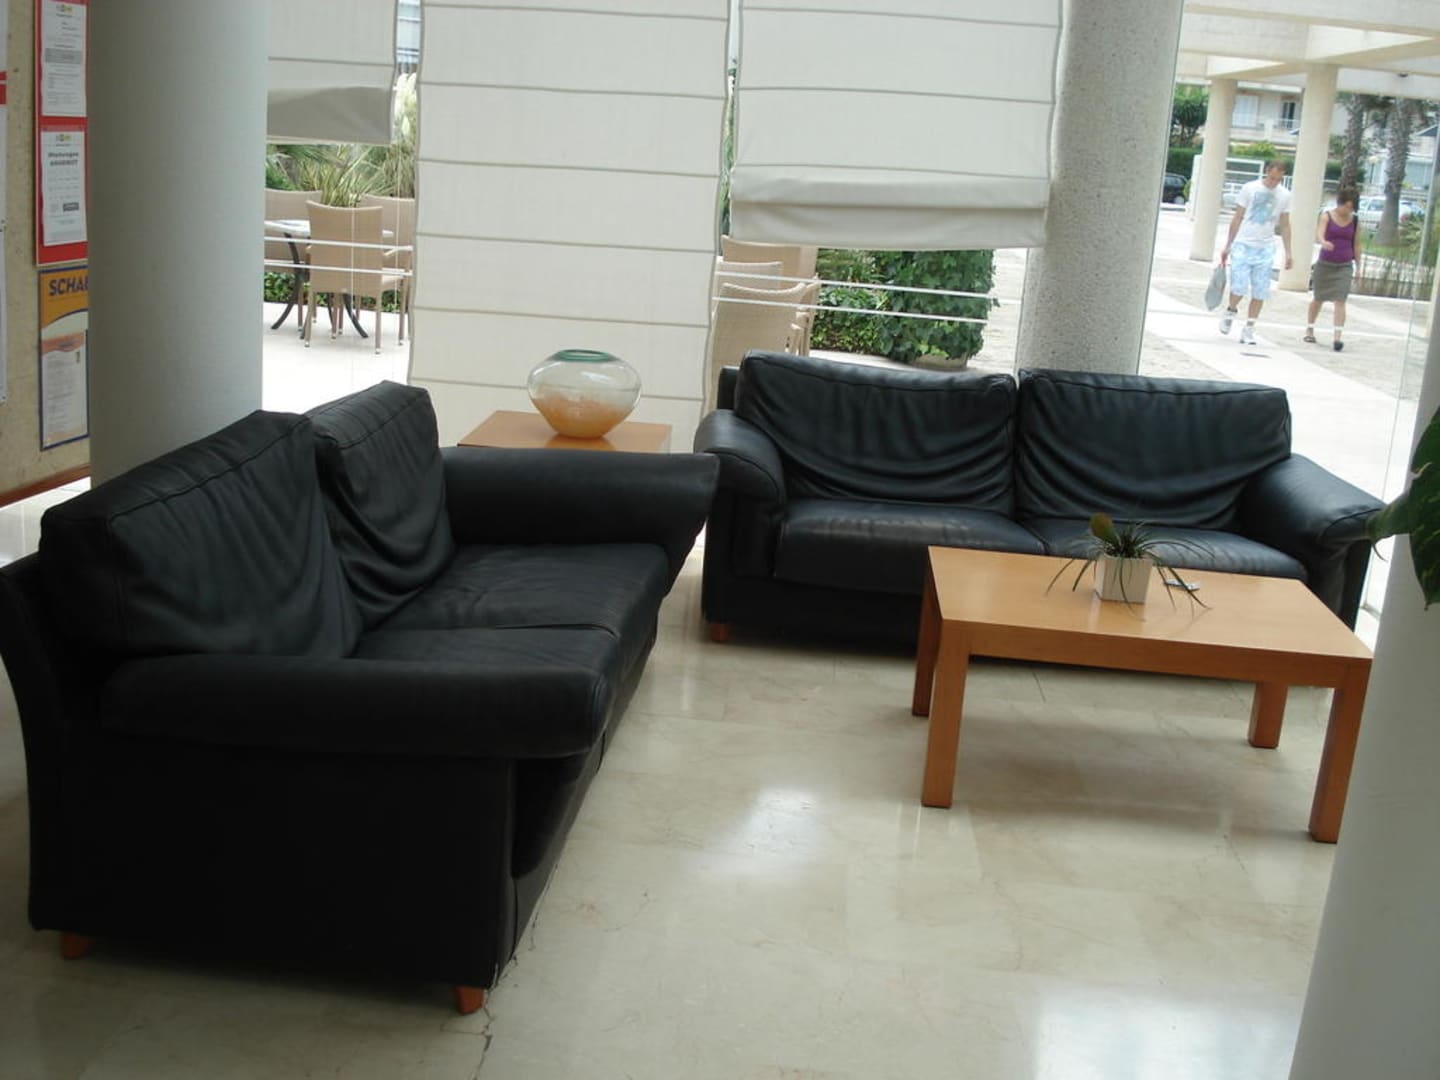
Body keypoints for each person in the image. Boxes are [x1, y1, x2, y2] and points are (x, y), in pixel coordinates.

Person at [1218, 160, 1294, 346]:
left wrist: (1288, 252)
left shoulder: (1285, 195)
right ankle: (1231, 310)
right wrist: (1228, 244)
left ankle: (1249, 328)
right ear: (1267, 172)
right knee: (1239, 286)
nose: (1274, 182)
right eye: (1272, 177)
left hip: (1265, 246)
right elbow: (1238, 217)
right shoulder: (1250, 188)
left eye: (1278, 179)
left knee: (1260, 290)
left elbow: (1285, 224)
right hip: (1244, 242)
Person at [1305, 188, 1362, 352]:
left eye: (1351, 208)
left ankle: (1337, 337)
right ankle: (1310, 328)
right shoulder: (1327, 216)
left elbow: (1357, 244)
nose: (1348, 210)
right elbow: (1320, 234)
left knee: (1340, 300)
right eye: (1346, 206)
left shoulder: (1355, 221)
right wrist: (1323, 242)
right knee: (1318, 298)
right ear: (1340, 203)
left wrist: (1359, 267)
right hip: (1326, 264)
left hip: (1344, 265)